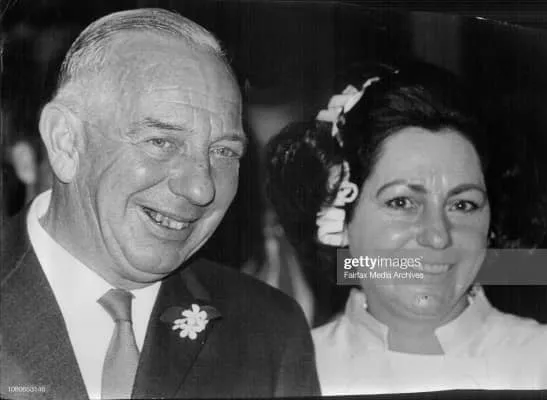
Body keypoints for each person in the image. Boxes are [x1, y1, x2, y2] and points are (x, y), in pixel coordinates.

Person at [0, 8, 320, 400]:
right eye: (162, 142)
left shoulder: (269, 332)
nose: (201, 188)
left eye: (223, 151)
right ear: (66, 142)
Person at [266, 62, 547, 394]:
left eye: (463, 205)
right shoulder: (288, 374)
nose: (437, 236)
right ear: (338, 215)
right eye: (402, 202)